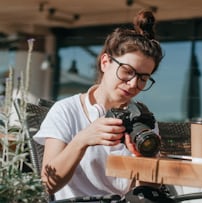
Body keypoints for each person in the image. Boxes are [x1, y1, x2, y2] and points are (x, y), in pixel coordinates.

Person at [33, 9, 163, 201]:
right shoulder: (67, 111)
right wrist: (82, 140)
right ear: (105, 62)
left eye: (143, 78)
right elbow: (48, 184)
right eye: (127, 71)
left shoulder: (142, 120)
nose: (134, 84)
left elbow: (148, 191)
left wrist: (145, 160)